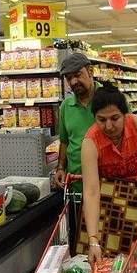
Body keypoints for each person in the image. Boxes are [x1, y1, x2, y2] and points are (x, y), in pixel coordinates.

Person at [81, 82, 137, 266]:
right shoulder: (90, 142)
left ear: (125, 114)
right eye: (101, 120)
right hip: (108, 212)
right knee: (110, 266)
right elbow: (91, 191)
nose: (108, 126)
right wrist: (93, 239)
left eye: (114, 118)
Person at [52, 52, 100, 190]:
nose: (73, 82)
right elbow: (65, 141)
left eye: (78, 75)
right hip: (76, 184)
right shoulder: (66, 107)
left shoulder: (111, 99)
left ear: (90, 71)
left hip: (107, 184)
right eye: (69, 78)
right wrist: (60, 168)